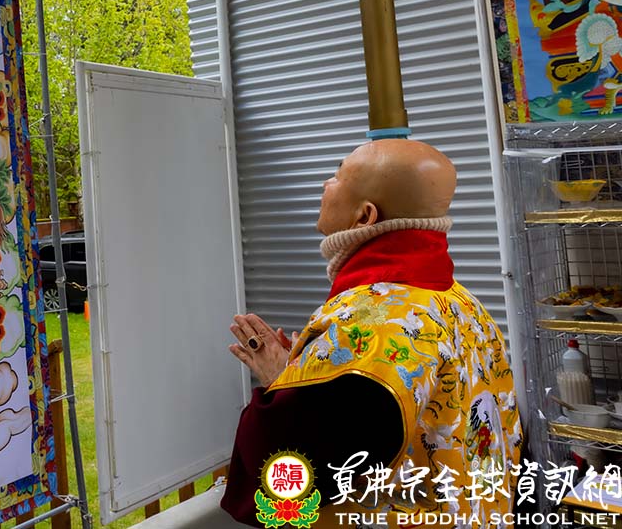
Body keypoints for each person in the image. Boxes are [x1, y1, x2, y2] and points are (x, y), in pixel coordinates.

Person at [220, 139, 521, 525]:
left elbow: (298, 466)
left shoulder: (366, 324)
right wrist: (308, 371)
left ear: (365, 216)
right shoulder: (463, 303)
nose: (325, 184)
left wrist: (280, 384)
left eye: (337, 176)